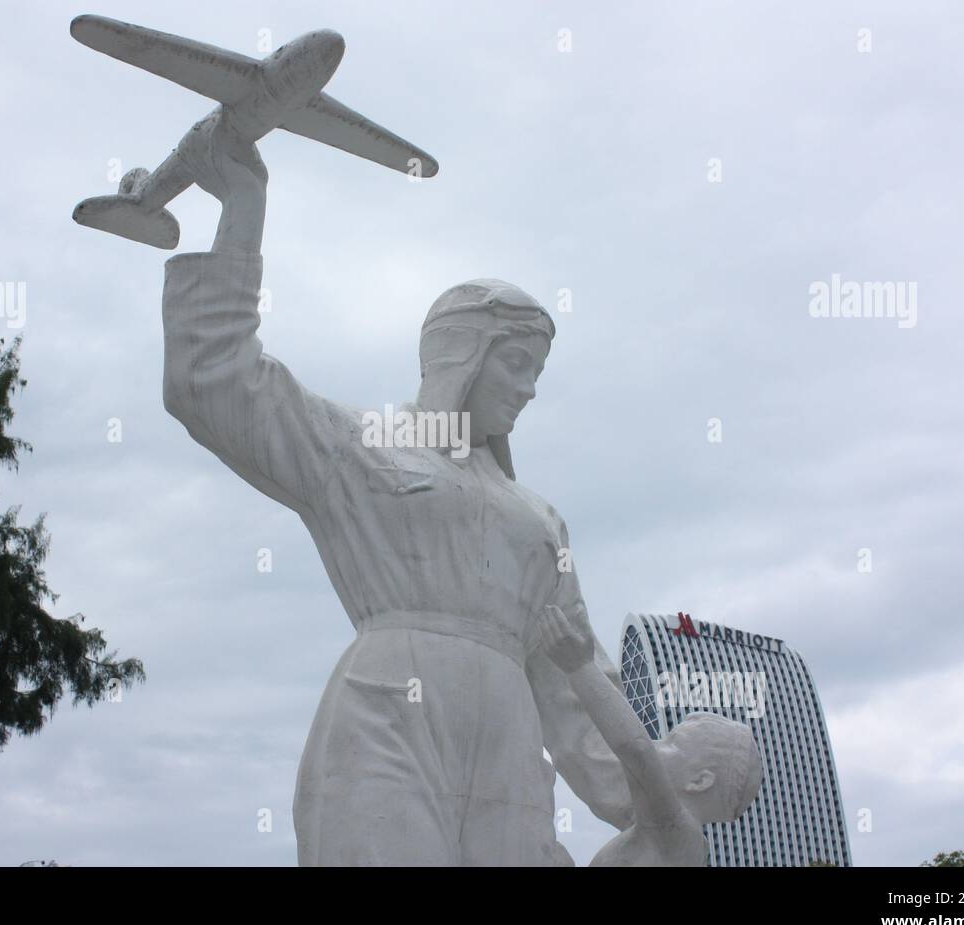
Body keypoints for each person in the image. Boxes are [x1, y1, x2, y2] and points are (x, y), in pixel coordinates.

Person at [164, 110, 636, 865]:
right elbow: (216, 383)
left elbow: (576, 685)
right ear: (462, 355)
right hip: (387, 724)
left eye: (536, 374)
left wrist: (657, 787)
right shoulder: (359, 446)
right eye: (517, 366)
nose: (528, 392)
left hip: (511, 751)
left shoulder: (540, 521)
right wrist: (242, 209)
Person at [536, 604, 763, 866]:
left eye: (672, 742)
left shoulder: (681, 834)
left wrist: (579, 668)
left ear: (700, 781)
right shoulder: (663, 838)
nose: (656, 742)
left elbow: (638, 752)